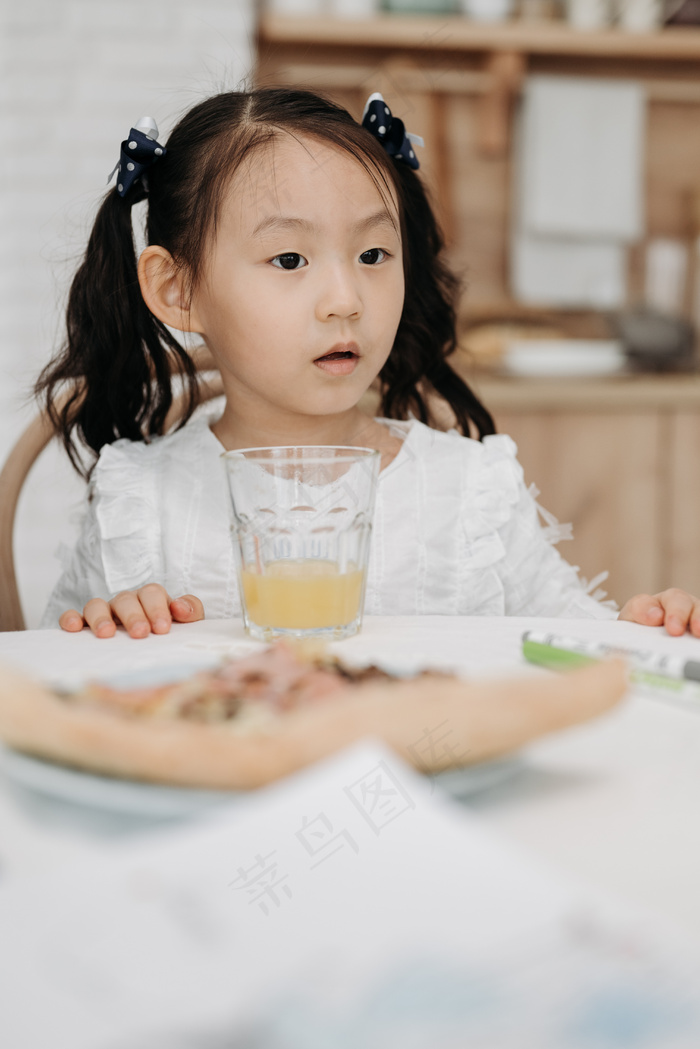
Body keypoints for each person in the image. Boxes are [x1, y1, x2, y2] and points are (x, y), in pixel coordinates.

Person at [36, 87, 700, 639]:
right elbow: (51, 672)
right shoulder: (139, 502)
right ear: (177, 290)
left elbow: (577, 644)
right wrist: (105, 628)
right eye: (290, 260)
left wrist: (643, 627)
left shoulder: (468, 492)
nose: (345, 300)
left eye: (373, 255)